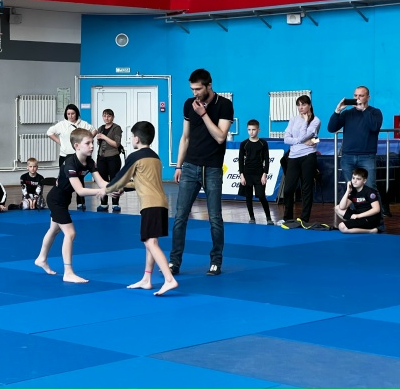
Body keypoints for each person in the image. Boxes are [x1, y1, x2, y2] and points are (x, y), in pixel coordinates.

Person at [168, 68, 234, 276]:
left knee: (215, 218)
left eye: (198, 89)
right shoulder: (189, 104)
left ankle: (216, 261)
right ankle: (174, 261)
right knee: (180, 217)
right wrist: (178, 165)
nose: (195, 93)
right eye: (192, 89)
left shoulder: (224, 105)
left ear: (209, 86)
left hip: (212, 168)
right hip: (189, 166)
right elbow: (185, 137)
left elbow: (220, 137)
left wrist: (204, 114)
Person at [101, 121, 178, 296]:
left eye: (131, 137)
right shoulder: (155, 157)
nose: (131, 140)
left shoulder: (135, 156)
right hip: (161, 203)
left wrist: (105, 190)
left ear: (136, 139)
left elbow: (120, 178)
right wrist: (124, 189)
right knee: (151, 242)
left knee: (150, 242)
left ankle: (169, 279)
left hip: (150, 205)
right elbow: (142, 181)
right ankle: (147, 279)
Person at [34, 128, 109, 283]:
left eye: (92, 142)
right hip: (56, 200)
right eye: (87, 143)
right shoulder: (70, 163)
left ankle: (41, 258)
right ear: (77, 146)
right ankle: (68, 272)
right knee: (70, 233)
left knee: (54, 230)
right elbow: (80, 191)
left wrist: (113, 188)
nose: (92, 146)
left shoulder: (90, 162)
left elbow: (102, 182)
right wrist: (100, 192)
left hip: (65, 199)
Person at [327, 86, 388, 216]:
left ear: (368, 97)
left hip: (367, 156)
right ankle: (358, 215)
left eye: (361, 96)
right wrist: (337, 111)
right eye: (355, 95)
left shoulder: (375, 112)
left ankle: (376, 217)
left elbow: (374, 127)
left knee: (370, 186)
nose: (357, 98)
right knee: (352, 188)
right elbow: (331, 128)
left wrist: (364, 110)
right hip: (348, 156)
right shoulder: (348, 113)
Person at [279, 95, 321, 224]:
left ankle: (304, 218)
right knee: (288, 189)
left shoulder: (315, 120)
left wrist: (305, 122)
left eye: (303, 104)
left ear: (309, 105)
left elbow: (308, 136)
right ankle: (287, 218)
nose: (300, 107)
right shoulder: (293, 119)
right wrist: (299, 141)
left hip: (308, 156)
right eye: (298, 105)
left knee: (306, 188)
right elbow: (286, 139)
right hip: (293, 156)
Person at [47, 104, 97, 210]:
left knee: (80, 179)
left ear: (76, 113)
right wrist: (60, 142)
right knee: (65, 180)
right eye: (68, 114)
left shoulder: (83, 124)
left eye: (72, 113)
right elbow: (49, 132)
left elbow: (94, 130)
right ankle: (63, 202)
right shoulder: (61, 125)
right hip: (65, 155)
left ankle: (80, 203)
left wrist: (87, 141)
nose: (70, 116)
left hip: (79, 156)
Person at [238, 119, 273, 225]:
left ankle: (268, 218)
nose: (251, 132)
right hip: (247, 173)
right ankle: (252, 217)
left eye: (253, 129)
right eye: (249, 130)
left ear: (258, 130)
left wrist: (264, 174)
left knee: (261, 196)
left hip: (259, 173)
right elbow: (241, 160)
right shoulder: (244, 144)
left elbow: (267, 159)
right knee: (248, 196)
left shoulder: (263, 143)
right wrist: (242, 175)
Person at [335, 167, 380, 234]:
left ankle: (371, 231)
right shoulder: (353, 191)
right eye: (353, 178)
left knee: (342, 227)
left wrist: (358, 216)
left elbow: (376, 209)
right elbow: (342, 207)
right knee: (337, 208)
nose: (354, 181)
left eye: (358, 179)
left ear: (364, 181)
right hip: (359, 215)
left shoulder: (369, 192)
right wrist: (347, 191)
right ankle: (353, 224)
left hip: (369, 218)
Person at [96, 108, 123, 212]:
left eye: (109, 116)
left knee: (114, 180)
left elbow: (116, 144)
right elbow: (99, 143)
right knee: (102, 180)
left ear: (113, 117)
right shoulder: (101, 128)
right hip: (101, 157)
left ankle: (115, 203)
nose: (106, 118)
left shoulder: (116, 128)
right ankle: (103, 203)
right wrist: (99, 138)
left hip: (113, 157)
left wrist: (104, 137)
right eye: (104, 116)